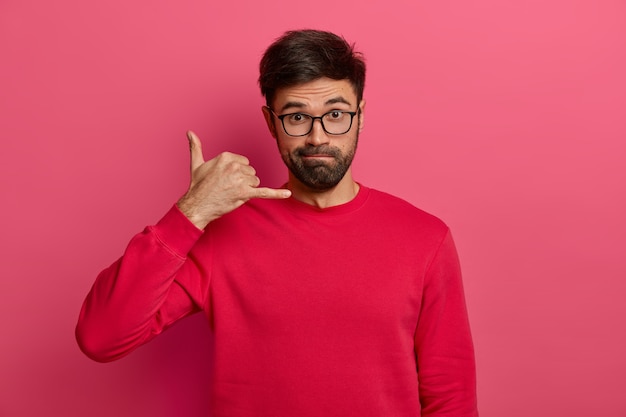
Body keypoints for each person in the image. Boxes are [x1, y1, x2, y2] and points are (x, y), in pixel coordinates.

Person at [76, 29, 478, 417]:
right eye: (297, 117)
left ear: (360, 116)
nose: (318, 137)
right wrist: (191, 212)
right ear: (270, 123)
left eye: (335, 114)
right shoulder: (223, 234)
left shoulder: (425, 238)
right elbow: (101, 337)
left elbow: (451, 398)